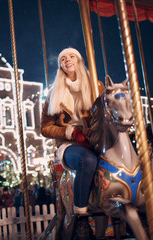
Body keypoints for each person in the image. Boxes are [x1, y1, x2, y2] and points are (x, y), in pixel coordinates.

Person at [41, 47, 105, 239]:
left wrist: (94, 128)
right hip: (69, 144)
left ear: (79, 60)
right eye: (62, 58)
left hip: (94, 139)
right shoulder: (54, 93)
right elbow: (45, 128)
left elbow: (105, 113)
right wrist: (71, 131)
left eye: (71, 56)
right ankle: (81, 216)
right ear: (61, 65)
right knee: (88, 160)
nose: (67, 60)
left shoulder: (96, 85)